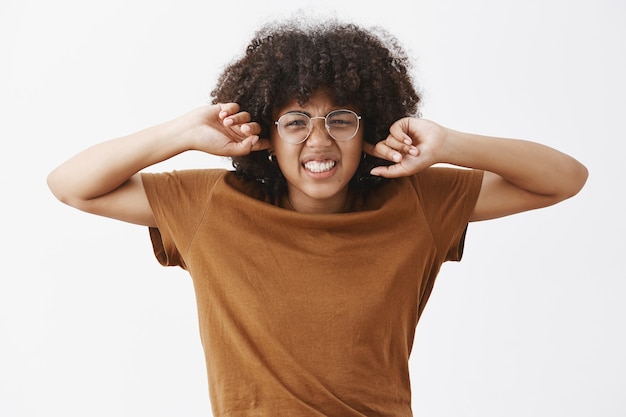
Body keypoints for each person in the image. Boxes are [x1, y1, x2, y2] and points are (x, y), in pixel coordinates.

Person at [47, 18, 588, 417]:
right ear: (266, 133)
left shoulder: (414, 201)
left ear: (369, 128)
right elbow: (71, 186)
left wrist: (450, 143)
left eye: (342, 120)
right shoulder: (212, 205)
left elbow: (564, 179)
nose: (319, 140)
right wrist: (181, 133)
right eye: (296, 121)